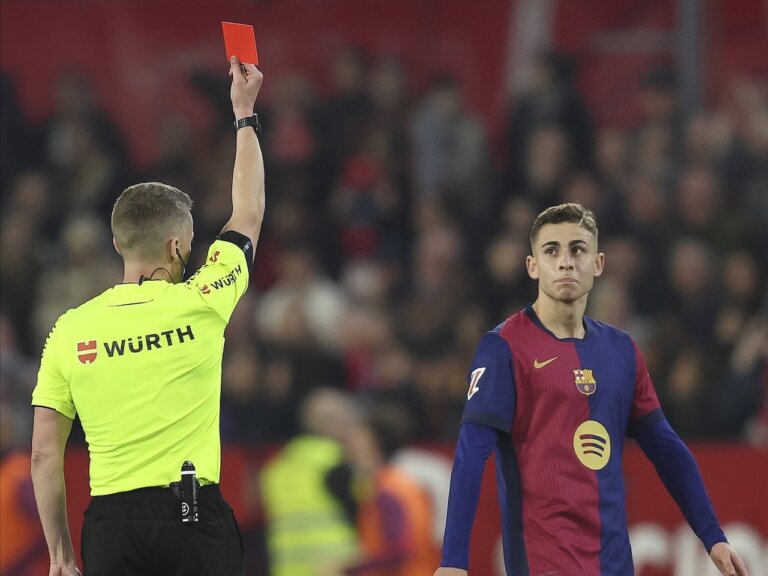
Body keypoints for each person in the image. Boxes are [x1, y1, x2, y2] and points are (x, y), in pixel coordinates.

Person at [30, 55, 264, 576]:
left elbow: (44, 455)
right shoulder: (203, 298)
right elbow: (248, 214)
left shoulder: (70, 329)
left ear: (117, 243)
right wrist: (244, 114)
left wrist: (60, 556)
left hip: (111, 526)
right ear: (178, 245)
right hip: (192, 517)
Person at [434, 203, 749, 576]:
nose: (566, 262)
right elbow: (471, 453)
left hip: (615, 565)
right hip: (544, 564)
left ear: (598, 264)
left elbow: (666, 447)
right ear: (532, 266)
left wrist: (713, 536)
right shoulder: (503, 347)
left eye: (577, 250)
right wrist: (453, 561)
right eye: (552, 251)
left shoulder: (621, 350)